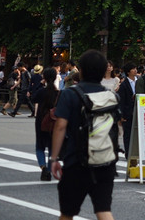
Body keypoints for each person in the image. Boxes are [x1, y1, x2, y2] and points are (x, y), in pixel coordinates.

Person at [49, 50, 121, 220]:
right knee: (103, 210)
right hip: (105, 161)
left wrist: (53, 159)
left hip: (76, 162)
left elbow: (60, 127)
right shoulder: (112, 96)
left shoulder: (69, 94)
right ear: (104, 71)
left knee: (67, 213)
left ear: (80, 70)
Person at [33, 66, 59, 181]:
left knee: (40, 146)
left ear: (44, 77)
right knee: (52, 148)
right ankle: (48, 169)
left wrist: (40, 84)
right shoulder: (58, 93)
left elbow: (33, 98)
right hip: (54, 122)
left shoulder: (41, 91)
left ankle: (43, 167)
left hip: (40, 121)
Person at [117, 64, 138, 158]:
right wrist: (121, 115)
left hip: (138, 111)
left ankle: (137, 152)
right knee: (128, 134)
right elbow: (121, 100)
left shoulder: (139, 81)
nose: (135, 70)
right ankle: (128, 153)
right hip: (128, 112)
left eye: (135, 68)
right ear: (128, 72)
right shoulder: (124, 84)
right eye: (133, 68)